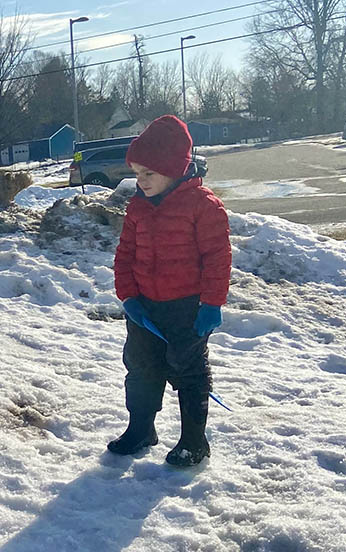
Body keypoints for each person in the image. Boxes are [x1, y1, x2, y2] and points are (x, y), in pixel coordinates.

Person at [109, 115, 231, 466]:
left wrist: (211, 303)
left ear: (174, 169)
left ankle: (194, 441)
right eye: (136, 174)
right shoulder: (138, 206)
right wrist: (129, 297)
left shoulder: (203, 205)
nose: (141, 181)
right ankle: (141, 429)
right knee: (141, 367)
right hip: (146, 307)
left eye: (149, 174)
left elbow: (217, 258)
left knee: (188, 370)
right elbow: (126, 254)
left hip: (187, 308)